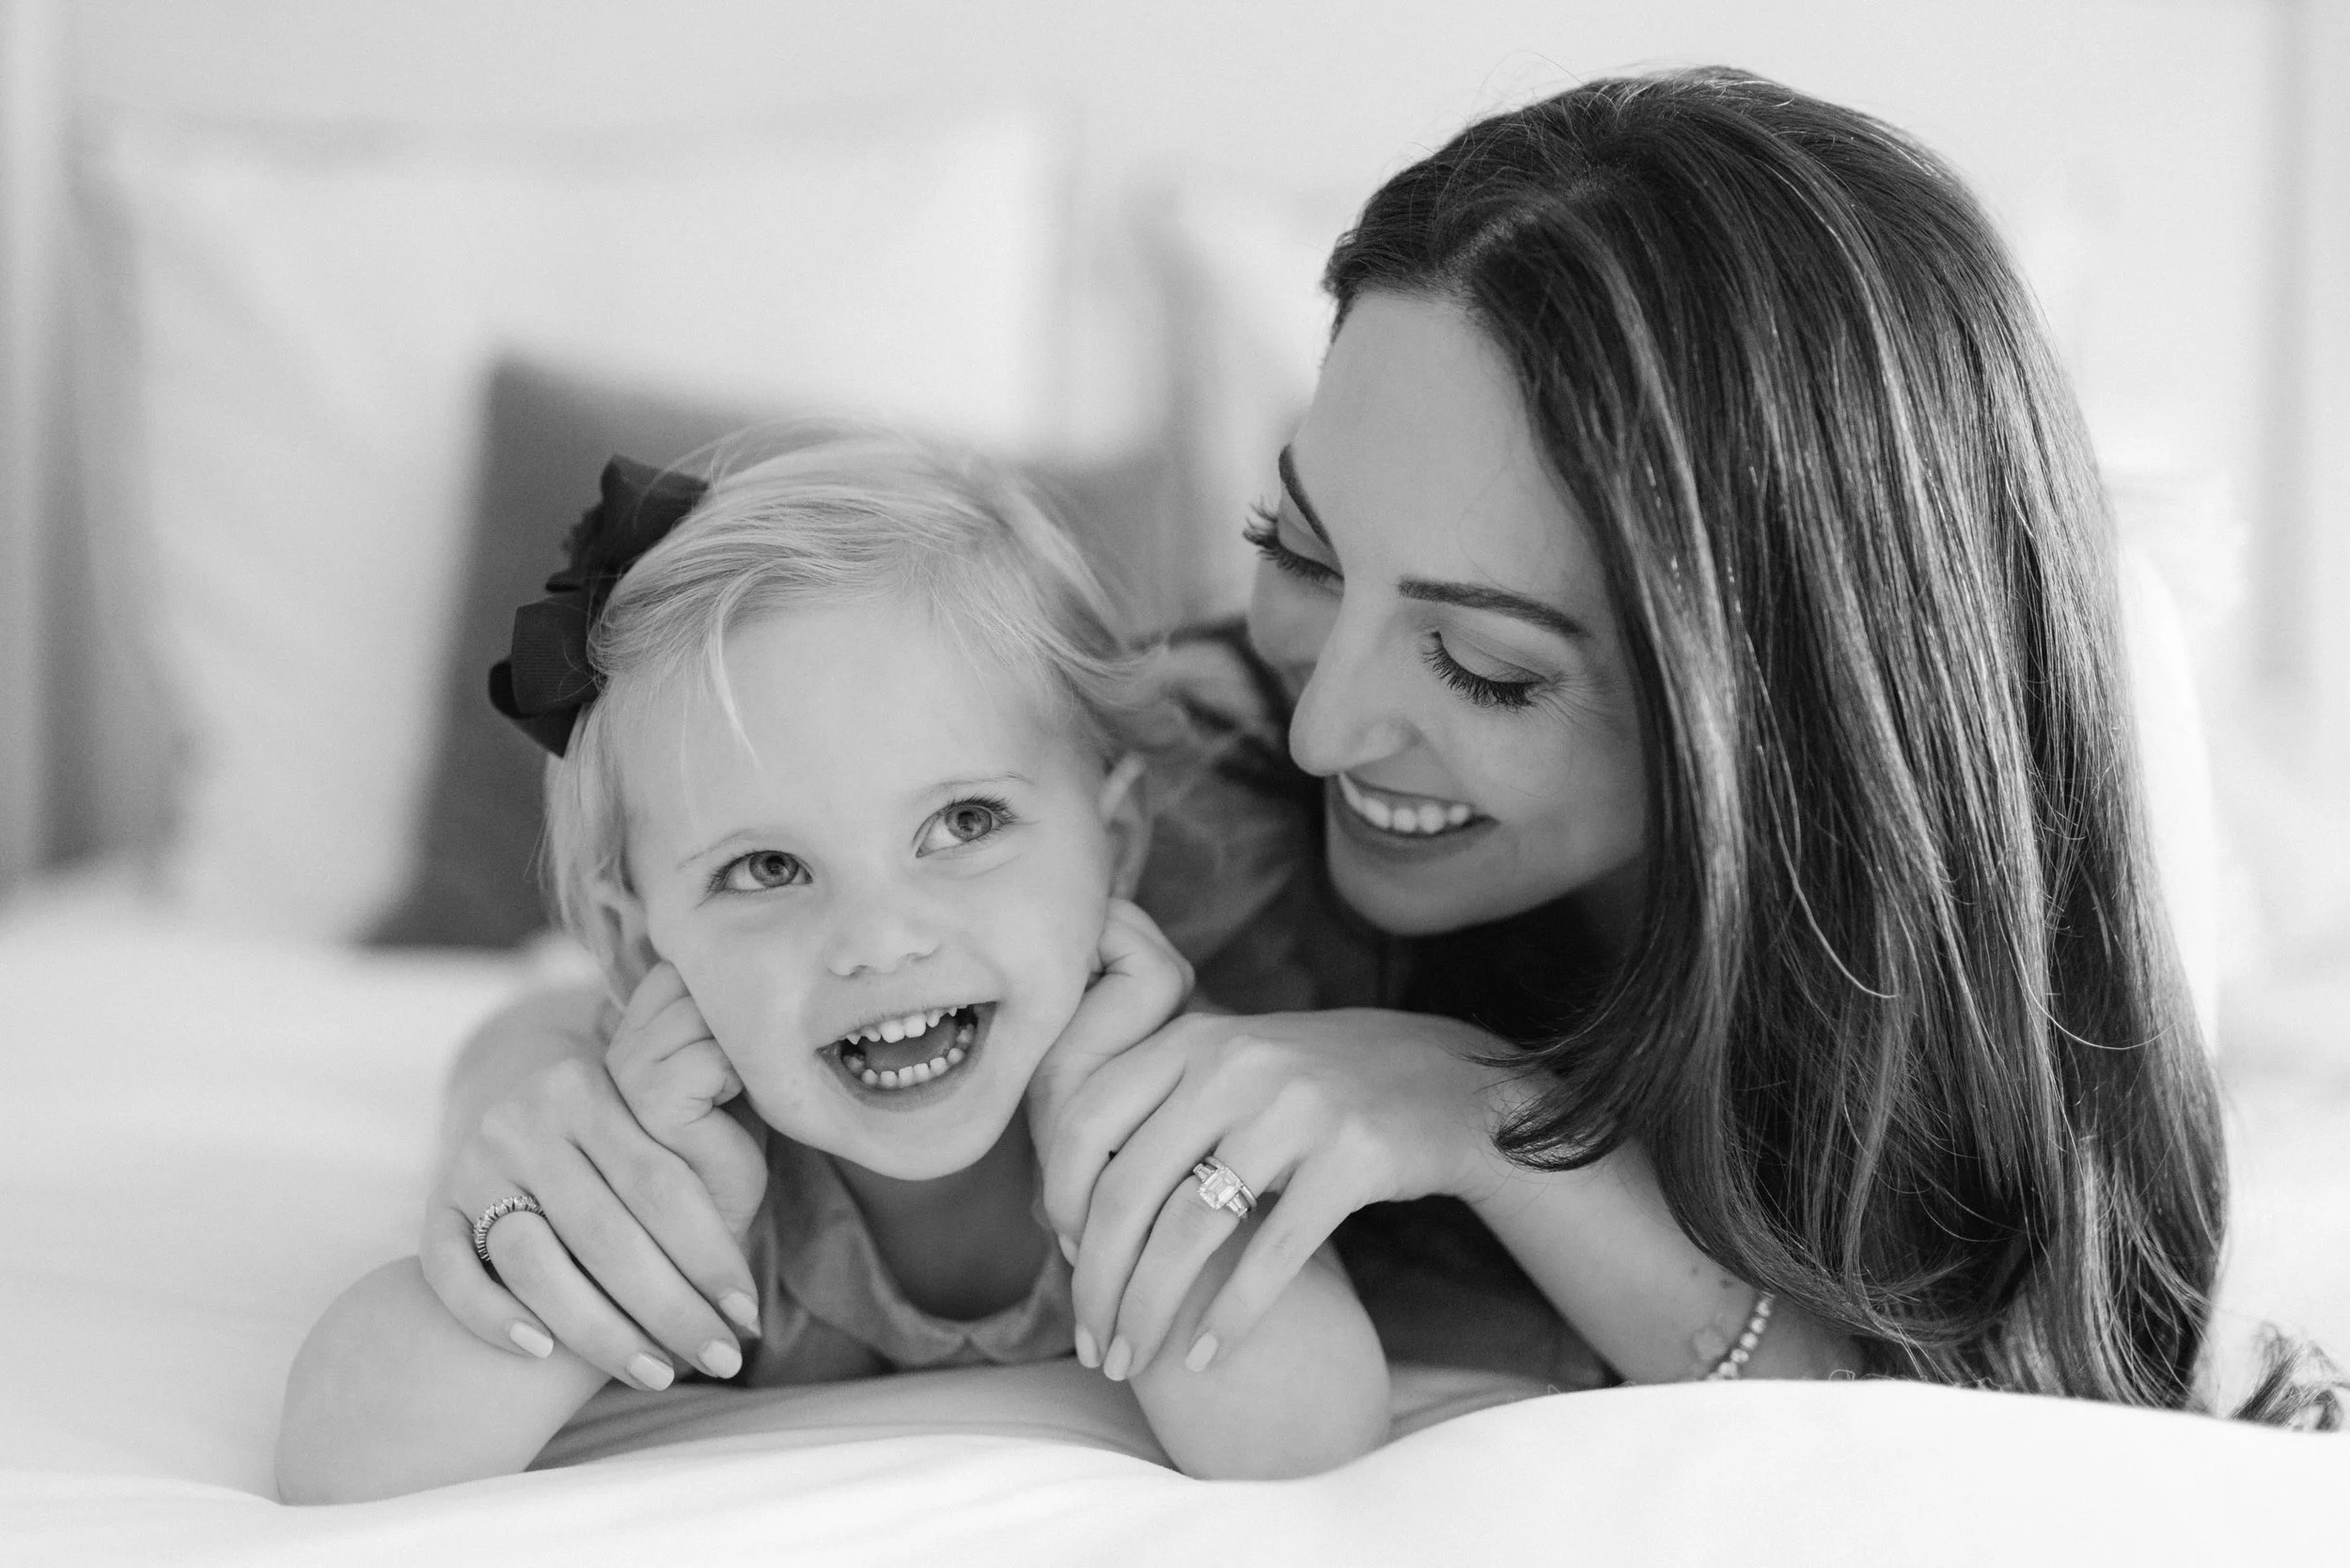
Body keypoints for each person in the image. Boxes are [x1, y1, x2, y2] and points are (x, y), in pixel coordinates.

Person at [419, 69, 2341, 1425]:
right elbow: (684, 958)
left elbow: (1973, 1387)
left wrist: (1481, 1116)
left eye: (1488, 667)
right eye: (1298, 551)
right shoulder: (1178, 803)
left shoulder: (2007, 900)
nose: (1328, 715)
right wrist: (517, 1098)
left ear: (1772, 706)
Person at [275, 440, 1391, 1504]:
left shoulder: (1168, 1100)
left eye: (964, 821)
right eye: (768, 868)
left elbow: (1306, 1434)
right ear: (637, 945)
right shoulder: (675, 1148)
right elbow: (347, 1459)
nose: (879, 939)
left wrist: (1103, 1162)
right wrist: (643, 1220)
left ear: (1118, 846)